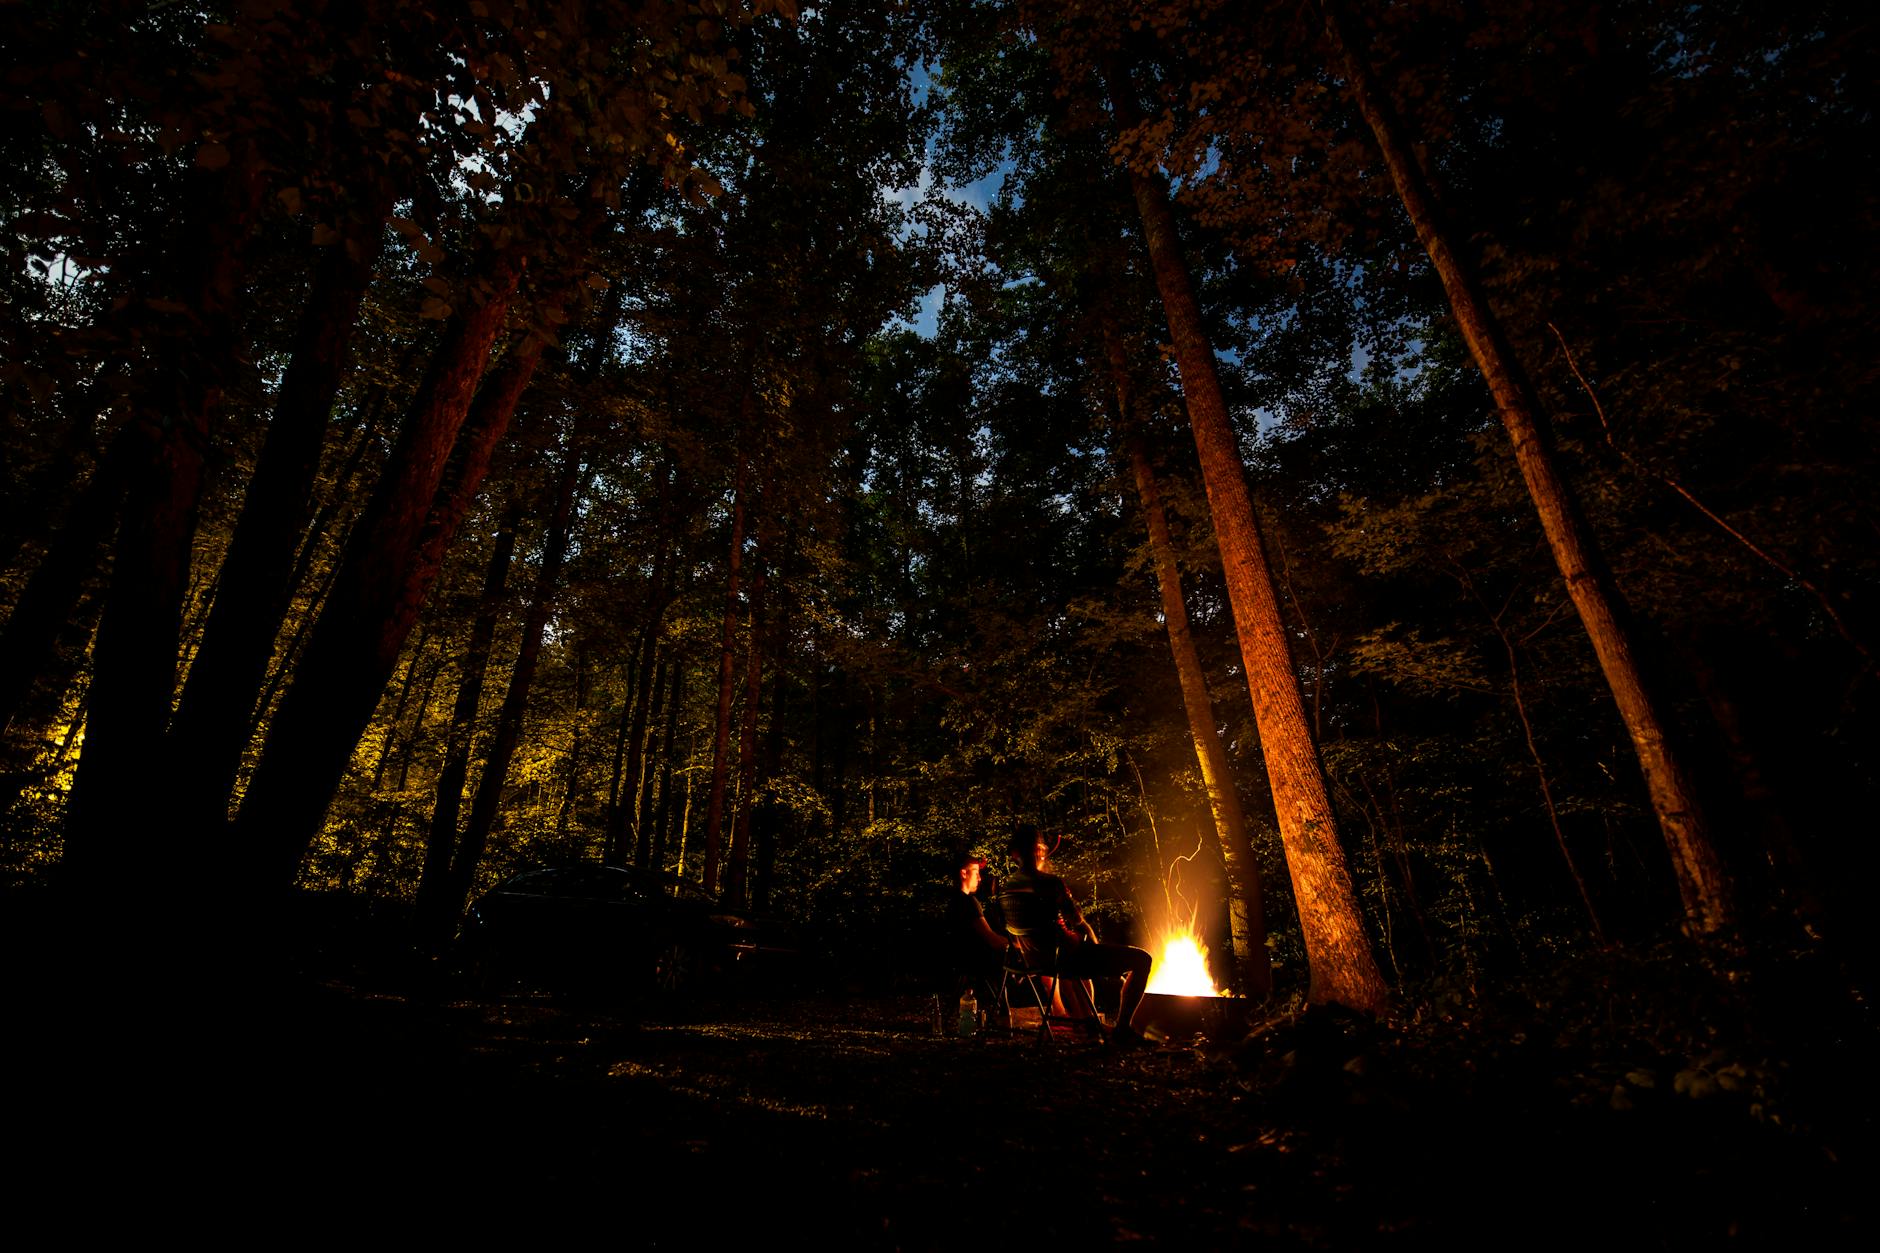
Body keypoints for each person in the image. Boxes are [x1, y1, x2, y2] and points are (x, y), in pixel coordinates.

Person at [998, 824, 1154, 1046]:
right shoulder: (1051, 883)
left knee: (1078, 951)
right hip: (1065, 959)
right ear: (1039, 850)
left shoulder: (1007, 887)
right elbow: (1077, 920)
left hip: (1034, 960)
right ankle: (1122, 1029)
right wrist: (1092, 939)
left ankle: (1089, 1025)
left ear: (1015, 854)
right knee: (1142, 960)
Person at [940, 848, 1009, 1030]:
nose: (979, 878)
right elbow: (991, 939)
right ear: (964, 873)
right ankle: (1004, 1016)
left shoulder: (953, 901)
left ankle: (1000, 1014)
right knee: (1010, 959)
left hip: (959, 960)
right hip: (977, 961)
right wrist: (1015, 944)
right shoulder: (969, 902)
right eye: (976, 872)